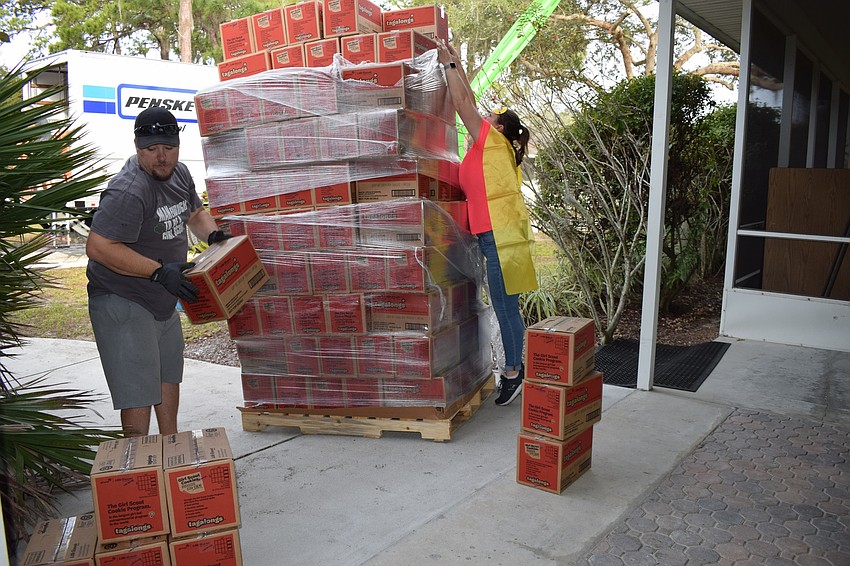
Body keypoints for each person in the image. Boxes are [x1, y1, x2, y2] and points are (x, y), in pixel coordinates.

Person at [86, 106, 229, 437]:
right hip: (123, 299)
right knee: (139, 390)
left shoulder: (177, 174)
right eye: (152, 150)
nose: (162, 157)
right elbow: (99, 247)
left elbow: (194, 212)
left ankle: (171, 448)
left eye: (169, 147)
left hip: (162, 295)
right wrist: (158, 271)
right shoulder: (128, 190)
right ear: (138, 147)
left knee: (167, 376)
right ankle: (140, 467)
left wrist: (214, 236)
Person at [437, 41, 538, 406]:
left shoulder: (490, 142)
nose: (484, 118)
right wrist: (457, 63)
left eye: (490, 117)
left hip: (498, 237)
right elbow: (471, 100)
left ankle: (513, 371)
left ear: (497, 127)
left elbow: (464, 104)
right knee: (505, 304)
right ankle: (514, 367)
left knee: (504, 306)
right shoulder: (494, 147)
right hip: (496, 235)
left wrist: (448, 65)